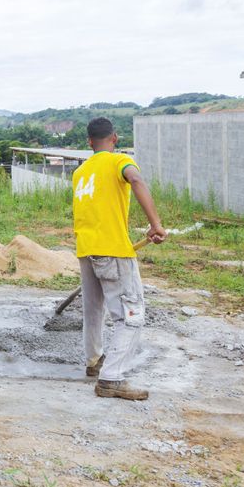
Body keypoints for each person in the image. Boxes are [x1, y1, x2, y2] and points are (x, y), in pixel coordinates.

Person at [73, 117, 166, 400]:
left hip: (86, 250)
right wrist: (156, 224)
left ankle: (95, 361)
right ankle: (111, 378)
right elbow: (135, 179)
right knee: (131, 315)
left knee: (93, 310)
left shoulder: (80, 172)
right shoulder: (119, 161)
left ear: (89, 141)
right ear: (114, 138)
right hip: (113, 250)